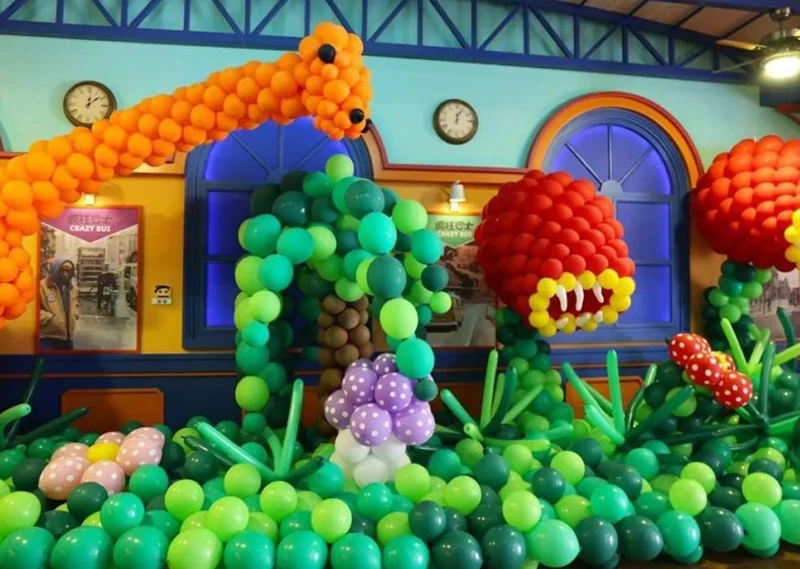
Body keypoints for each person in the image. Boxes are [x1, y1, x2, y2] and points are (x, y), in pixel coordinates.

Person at [39, 257, 79, 350]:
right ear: (55, 269)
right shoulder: (42, 287)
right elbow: (32, 311)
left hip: (67, 338)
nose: (65, 274)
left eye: (69, 271)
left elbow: (76, 304)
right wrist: (49, 318)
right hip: (47, 338)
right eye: (62, 270)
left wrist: (75, 314)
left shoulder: (73, 288)